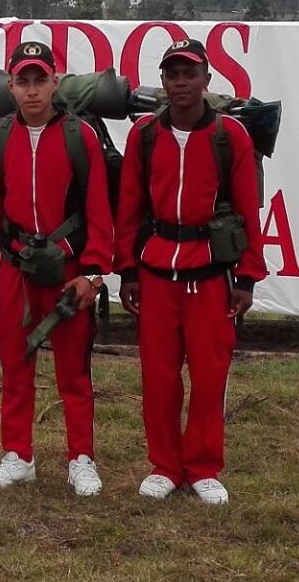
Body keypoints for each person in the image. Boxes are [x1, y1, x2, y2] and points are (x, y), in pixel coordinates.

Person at [115, 36, 268, 505]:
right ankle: (164, 465)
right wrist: (128, 271)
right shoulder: (143, 134)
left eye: (189, 73)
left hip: (210, 274)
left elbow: (247, 208)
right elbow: (130, 207)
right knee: (158, 377)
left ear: (207, 79)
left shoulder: (231, 136)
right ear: (163, 81)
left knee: (209, 375)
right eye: (172, 74)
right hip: (158, 270)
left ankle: (203, 466)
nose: (181, 83)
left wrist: (245, 278)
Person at [0, 39, 114, 496]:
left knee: (74, 371)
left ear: (55, 82)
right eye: (22, 81)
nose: (32, 91)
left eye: (40, 80)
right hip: (15, 268)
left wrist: (94, 272)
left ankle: (81, 458)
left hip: (68, 269)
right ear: (10, 87)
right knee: (15, 366)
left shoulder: (80, 136)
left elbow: (98, 209)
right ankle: (17, 456)